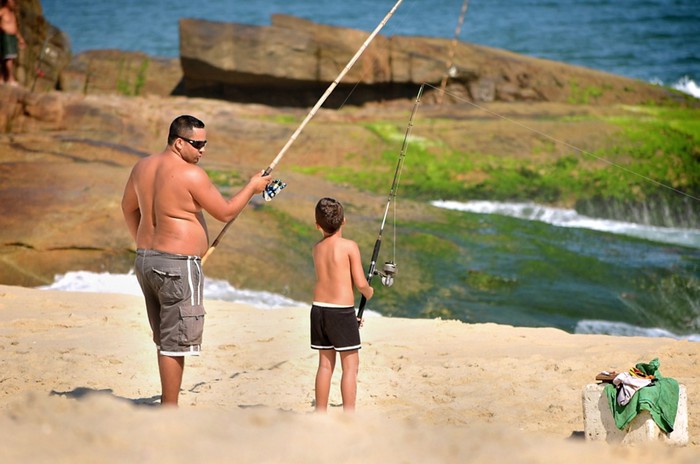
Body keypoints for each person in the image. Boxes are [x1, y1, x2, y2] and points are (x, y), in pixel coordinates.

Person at [121, 115, 270, 406]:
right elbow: (225, 212)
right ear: (178, 142)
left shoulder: (142, 167)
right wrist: (252, 188)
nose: (202, 150)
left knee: (165, 336)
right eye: (197, 144)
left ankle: (168, 402)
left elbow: (128, 208)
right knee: (174, 342)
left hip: (146, 261)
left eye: (205, 144)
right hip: (177, 265)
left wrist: (144, 243)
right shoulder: (191, 174)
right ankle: (170, 409)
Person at [310, 197, 373, 412]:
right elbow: (360, 282)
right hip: (341, 312)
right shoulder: (349, 246)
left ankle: (320, 412)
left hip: (318, 310)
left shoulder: (316, 248)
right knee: (350, 366)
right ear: (344, 221)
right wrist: (369, 292)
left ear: (318, 225)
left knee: (325, 365)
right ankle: (349, 415)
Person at [0, 0, 25, 86]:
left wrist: (20, 38)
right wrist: (2, 28)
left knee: (7, 58)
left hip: (12, 37)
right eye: (11, 1)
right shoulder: (2, 11)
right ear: (6, 2)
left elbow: (15, 27)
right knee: (8, 58)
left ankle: (2, 78)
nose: (13, 3)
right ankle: (10, 79)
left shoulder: (12, 13)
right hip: (5, 36)